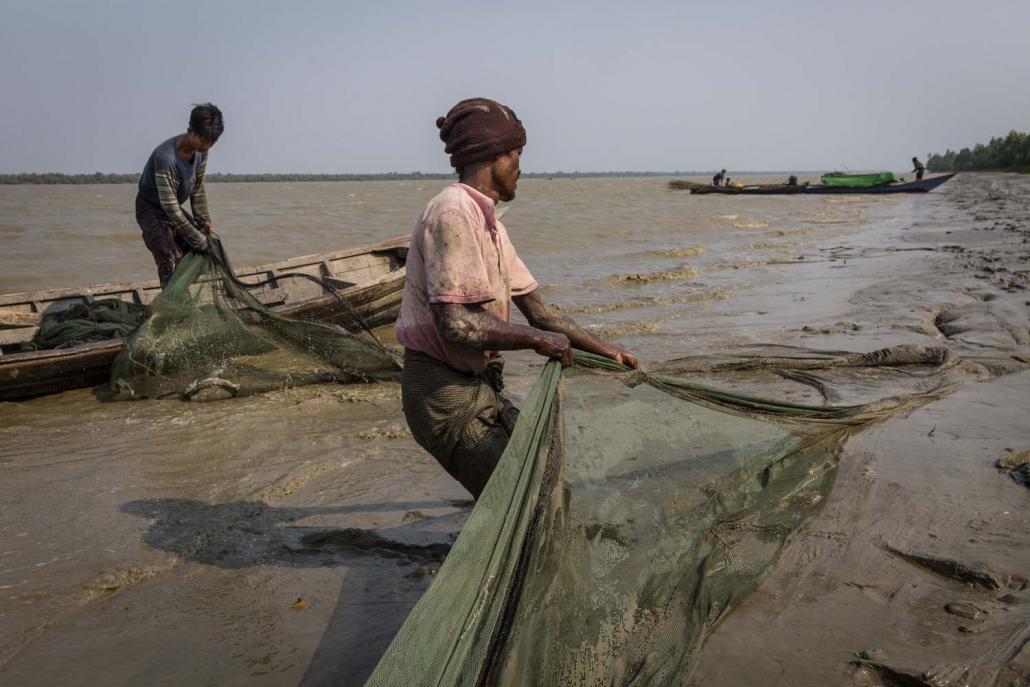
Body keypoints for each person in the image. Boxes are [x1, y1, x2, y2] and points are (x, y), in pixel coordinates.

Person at [395, 97, 639, 499]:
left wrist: (609, 350)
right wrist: (537, 341)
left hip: (476, 385)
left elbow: (541, 314)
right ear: (493, 156)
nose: (521, 165)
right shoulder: (452, 211)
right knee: (523, 498)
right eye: (516, 153)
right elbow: (457, 324)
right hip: (442, 394)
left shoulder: (492, 226)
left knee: (543, 472)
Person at [136, 103, 224, 286]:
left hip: (172, 207)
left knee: (196, 248)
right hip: (151, 208)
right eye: (204, 140)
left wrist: (204, 221)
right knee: (168, 254)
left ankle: (183, 294)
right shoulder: (165, 158)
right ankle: (170, 304)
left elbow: (197, 187)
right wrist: (200, 241)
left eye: (212, 142)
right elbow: (172, 210)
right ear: (190, 131)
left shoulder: (202, 152)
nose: (207, 145)